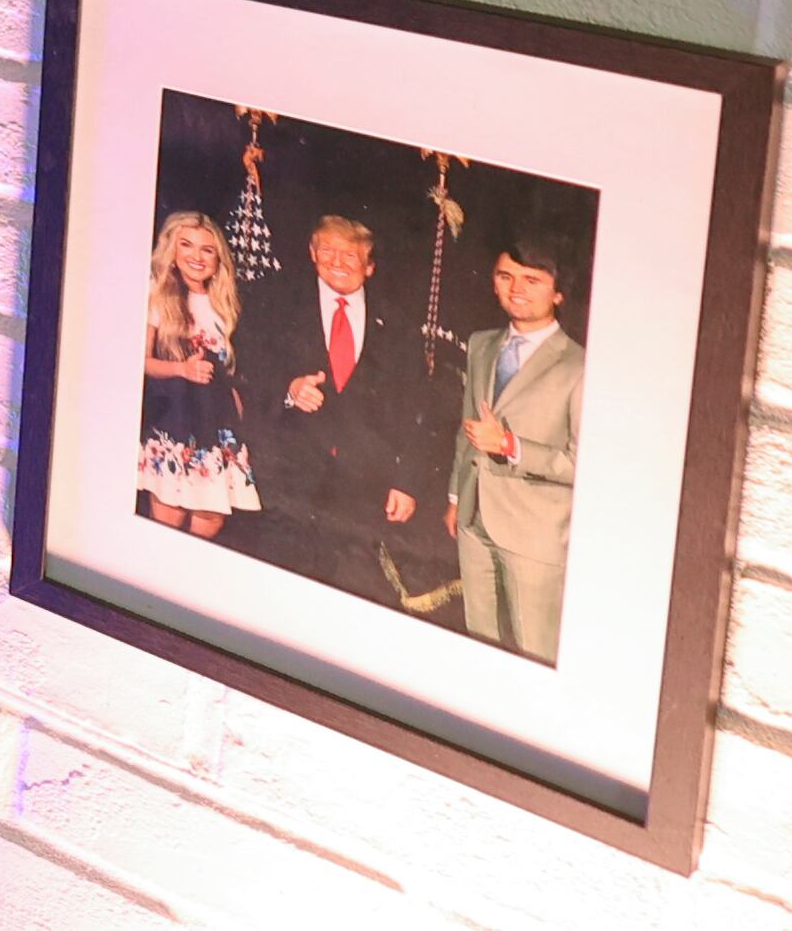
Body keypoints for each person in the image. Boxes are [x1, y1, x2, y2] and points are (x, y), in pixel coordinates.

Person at [236, 211, 446, 602]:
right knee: (278, 592)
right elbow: (248, 362)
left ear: (369, 266)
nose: (337, 262)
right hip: (289, 478)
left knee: (348, 592)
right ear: (312, 253)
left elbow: (418, 407)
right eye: (327, 251)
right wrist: (289, 388)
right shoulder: (275, 299)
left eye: (349, 255)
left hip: (363, 487)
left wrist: (407, 482)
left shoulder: (397, 320)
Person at [449, 236, 587, 663]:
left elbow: (585, 464)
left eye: (532, 280)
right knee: (479, 646)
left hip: (536, 533)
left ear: (558, 293)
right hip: (473, 520)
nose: (516, 289)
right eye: (506, 276)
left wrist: (512, 446)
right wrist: (455, 496)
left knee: (534, 653)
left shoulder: (580, 365)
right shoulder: (481, 344)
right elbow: (466, 426)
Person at [138, 210, 259, 536]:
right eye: (187, 245)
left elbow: (233, 371)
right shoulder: (157, 296)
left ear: (218, 260)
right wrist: (182, 369)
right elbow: (141, 361)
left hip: (217, 428)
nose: (197, 256)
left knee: (210, 519)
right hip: (174, 422)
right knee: (169, 519)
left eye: (207, 250)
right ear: (172, 251)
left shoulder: (225, 305)